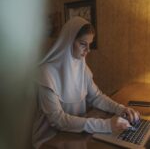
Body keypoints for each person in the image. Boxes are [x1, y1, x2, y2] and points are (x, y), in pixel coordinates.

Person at [32, 16, 140, 149]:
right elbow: (58, 120)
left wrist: (121, 109)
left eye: (90, 44)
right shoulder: (45, 73)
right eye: (83, 44)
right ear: (68, 41)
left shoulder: (82, 67)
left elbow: (96, 97)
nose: (88, 50)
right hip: (50, 141)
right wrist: (106, 125)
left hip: (76, 135)